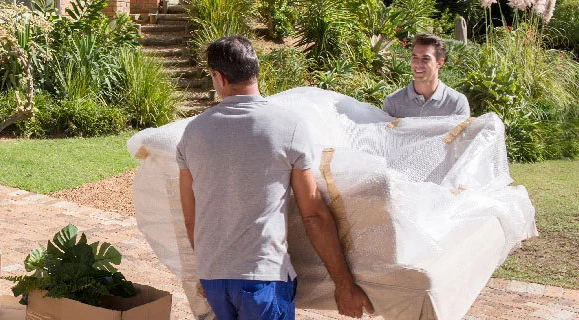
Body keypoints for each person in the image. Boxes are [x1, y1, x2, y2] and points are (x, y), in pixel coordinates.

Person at [176, 36, 374, 319]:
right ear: (256, 72)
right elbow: (314, 215)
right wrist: (344, 284)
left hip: (213, 278)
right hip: (263, 277)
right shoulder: (288, 126)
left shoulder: (192, 133)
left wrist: (209, 268)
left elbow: (190, 218)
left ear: (218, 77)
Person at [382, 34, 470, 118]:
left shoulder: (456, 103)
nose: (418, 64)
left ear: (439, 62)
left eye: (425, 59)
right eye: (415, 57)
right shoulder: (393, 102)